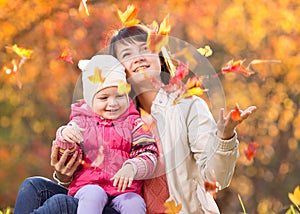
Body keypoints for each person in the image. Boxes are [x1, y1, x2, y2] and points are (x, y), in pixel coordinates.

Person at [14, 26, 256, 214]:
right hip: (114, 200)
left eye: (144, 49)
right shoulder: (112, 112)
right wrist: (66, 171)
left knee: (61, 206)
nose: (138, 57)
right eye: (127, 54)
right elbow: (96, 174)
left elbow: (216, 178)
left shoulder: (188, 107)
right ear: (118, 70)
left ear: (159, 57)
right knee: (34, 187)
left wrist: (224, 138)